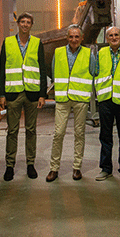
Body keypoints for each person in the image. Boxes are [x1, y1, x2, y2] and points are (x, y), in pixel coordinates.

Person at [0, 12, 49, 181]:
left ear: (31, 25)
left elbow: (42, 69)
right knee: (12, 131)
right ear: (18, 23)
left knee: (31, 130)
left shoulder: (37, 43)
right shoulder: (8, 42)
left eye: (28, 22)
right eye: (23, 22)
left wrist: (43, 94)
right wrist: (1, 94)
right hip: (13, 93)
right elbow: (2, 69)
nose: (25, 24)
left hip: (32, 93)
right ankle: (9, 165)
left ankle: (30, 164)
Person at [46, 25, 97, 182]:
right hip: (62, 99)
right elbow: (55, 74)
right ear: (67, 38)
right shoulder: (58, 52)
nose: (74, 40)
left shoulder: (89, 54)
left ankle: (77, 168)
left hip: (80, 99)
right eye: (71, 37)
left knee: (79, 133)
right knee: (58, 133)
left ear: (81, 38)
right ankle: (54, 168)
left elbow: (94, 72)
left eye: (77, 37)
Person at [95, 26, 120, 181]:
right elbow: (96, 73)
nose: (113, 37)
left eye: (116, 34)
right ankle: (106, 168)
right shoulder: (101, 53)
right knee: (105, 136)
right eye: (110, 35)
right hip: (106, 100)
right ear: (107, 38)